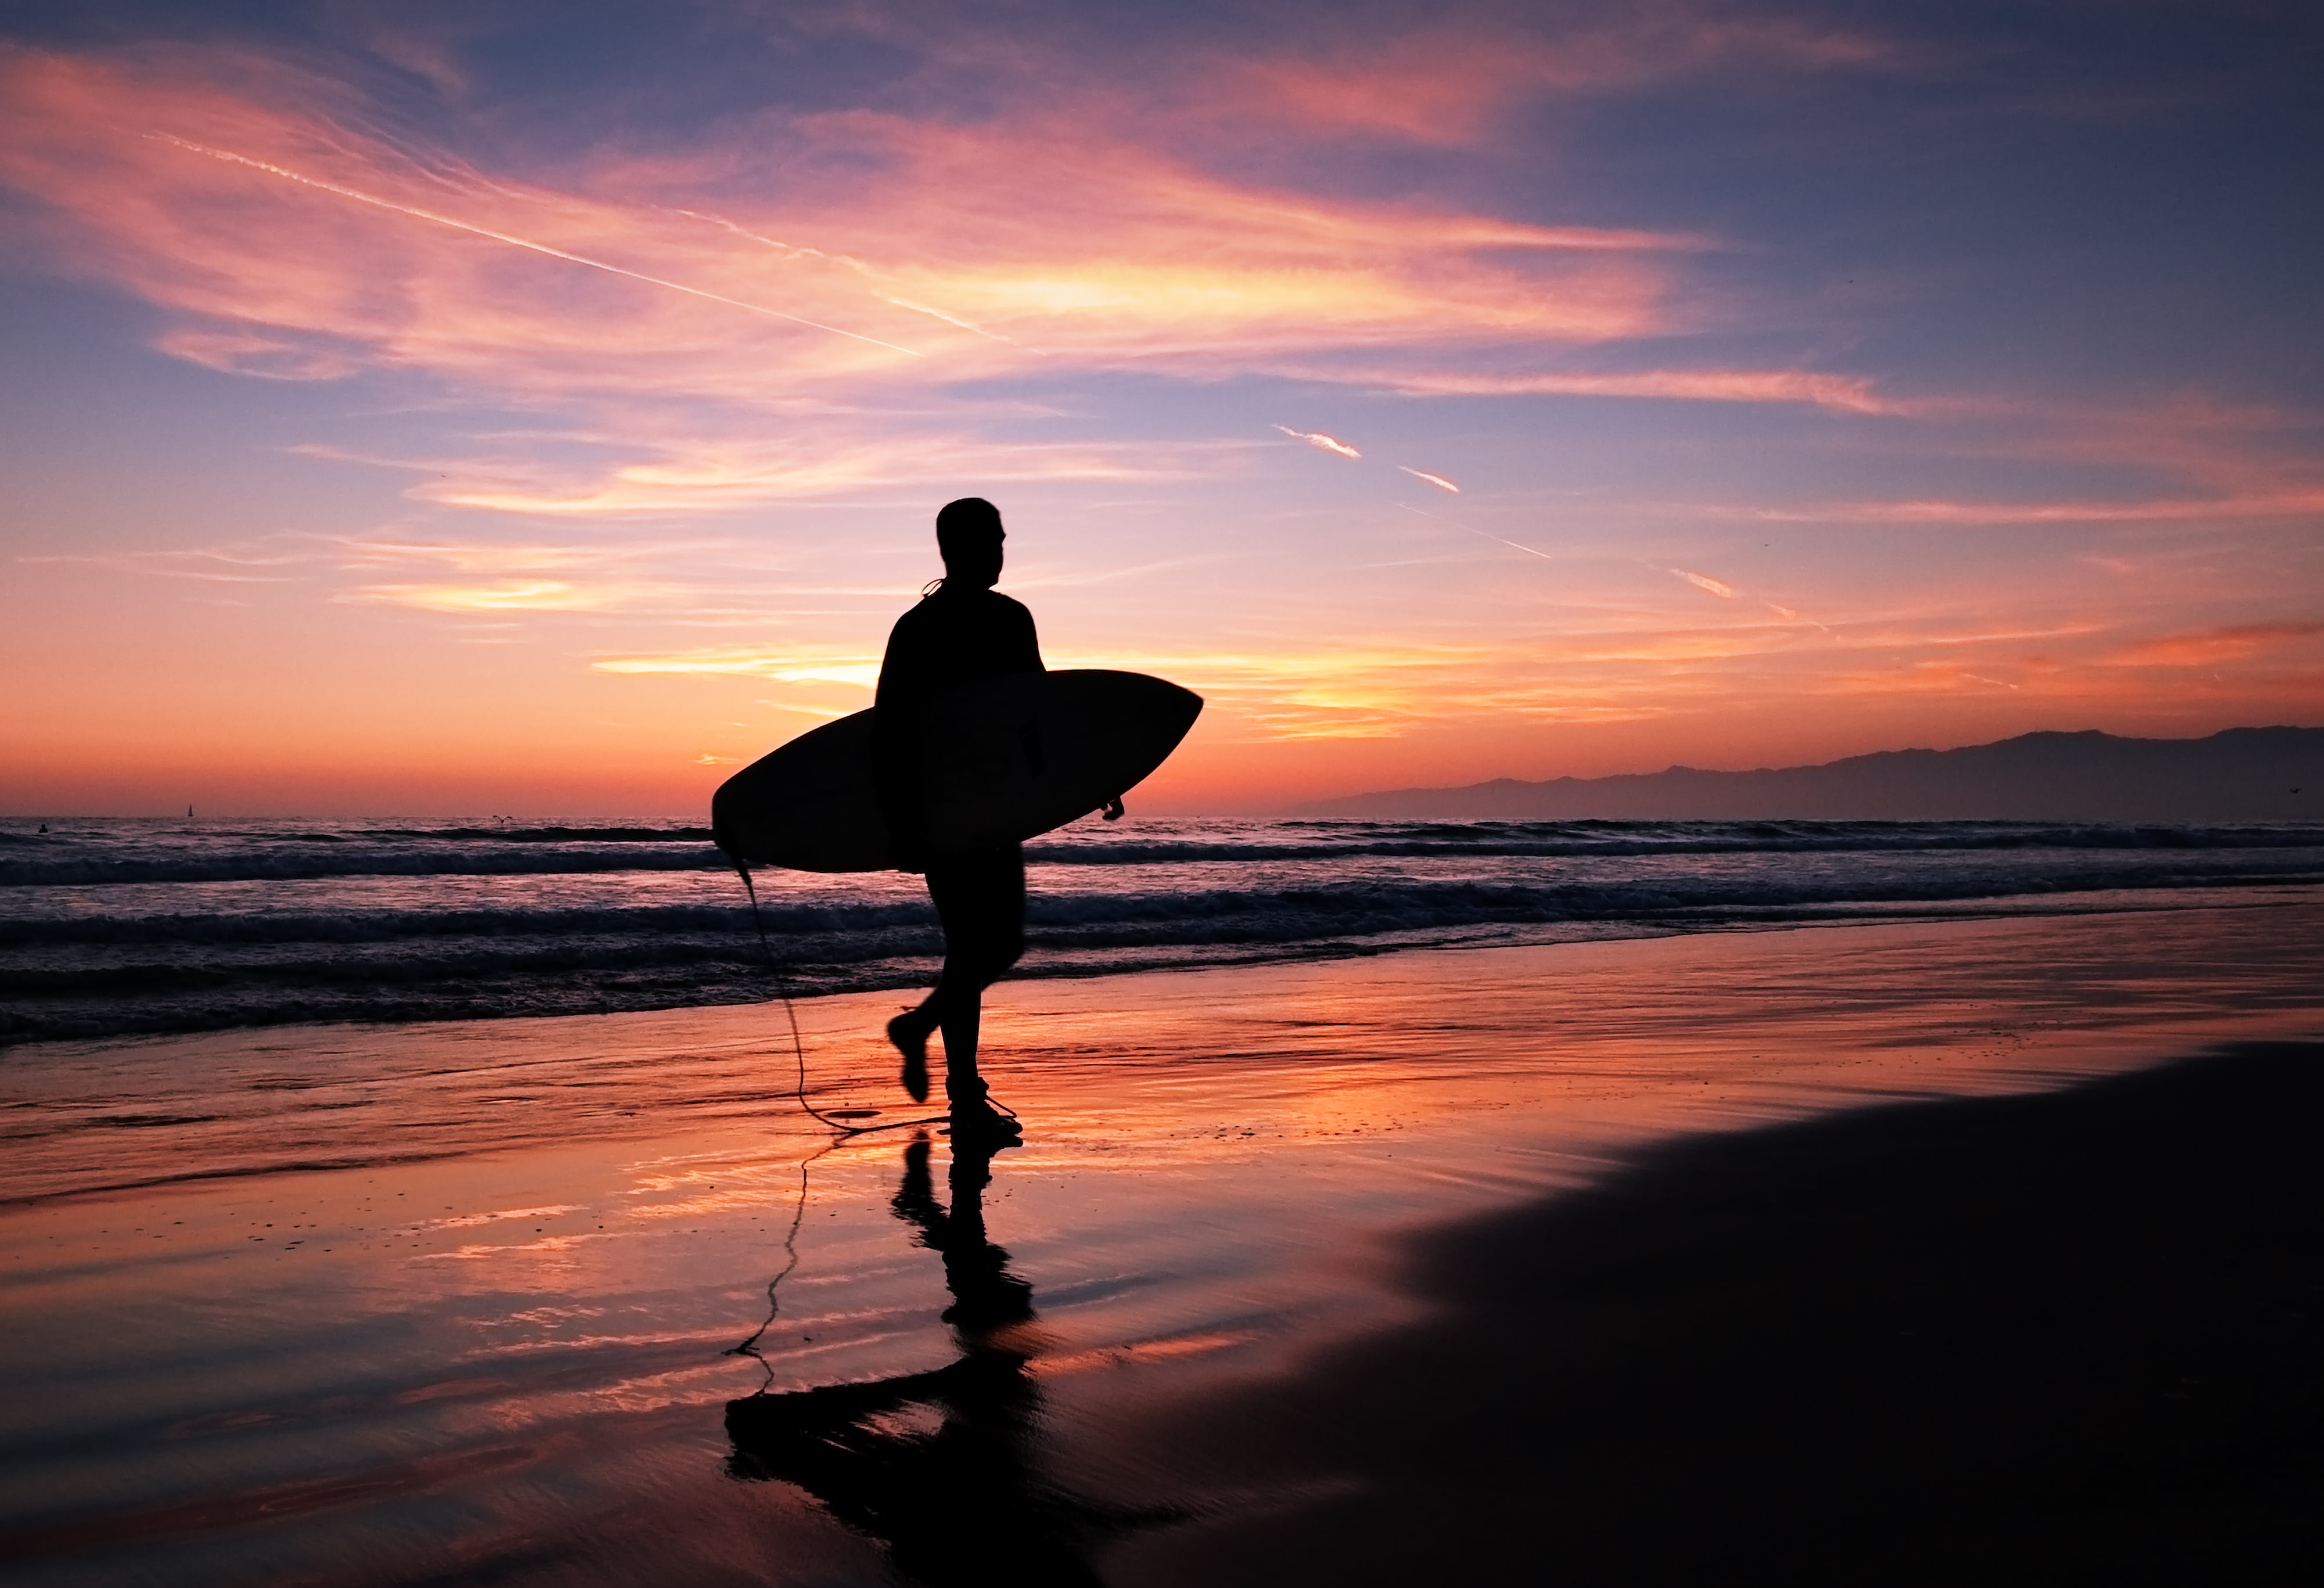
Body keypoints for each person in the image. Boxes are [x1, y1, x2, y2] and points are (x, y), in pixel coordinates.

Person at [874, 498, 1040, 1142]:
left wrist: (1088, 779)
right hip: (944, 810)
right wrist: (903, 824)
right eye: (991, 541)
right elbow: (888, 730)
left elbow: (1035, 712)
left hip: (998, 809)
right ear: (955, 549)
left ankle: (916, 1028)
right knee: (973, 946)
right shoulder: (918, 629)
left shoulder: (1011, 618)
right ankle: (965, 1094)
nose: (1001, 551)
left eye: (1002, 540)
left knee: (1001, 945)